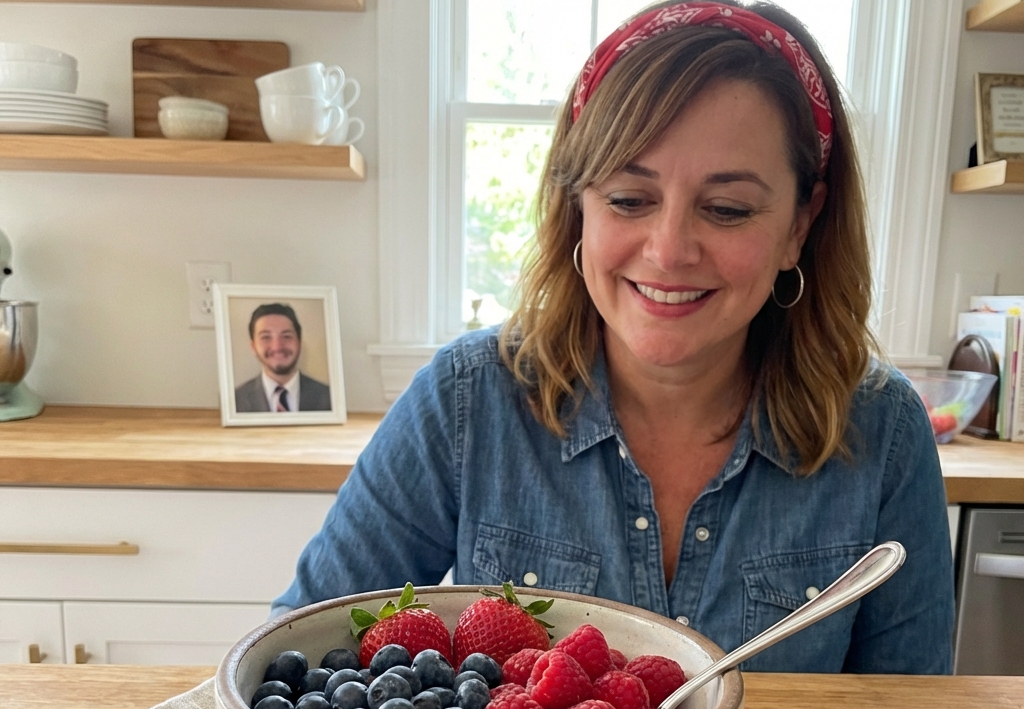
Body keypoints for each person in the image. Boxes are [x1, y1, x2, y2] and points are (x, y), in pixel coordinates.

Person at [273, 1, 954, 673]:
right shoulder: (464, 399)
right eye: (629, 199)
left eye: (727, 209)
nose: (668, 251)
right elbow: (296, 663)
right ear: (578, 207)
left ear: (800, 226)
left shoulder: (883, 431)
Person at [234, 303, 332, 413]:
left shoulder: (330, 397)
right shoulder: (235, 401)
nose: (277, 347)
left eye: (286, 336)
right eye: (266, 337)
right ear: (253, 347)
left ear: (299, 342)